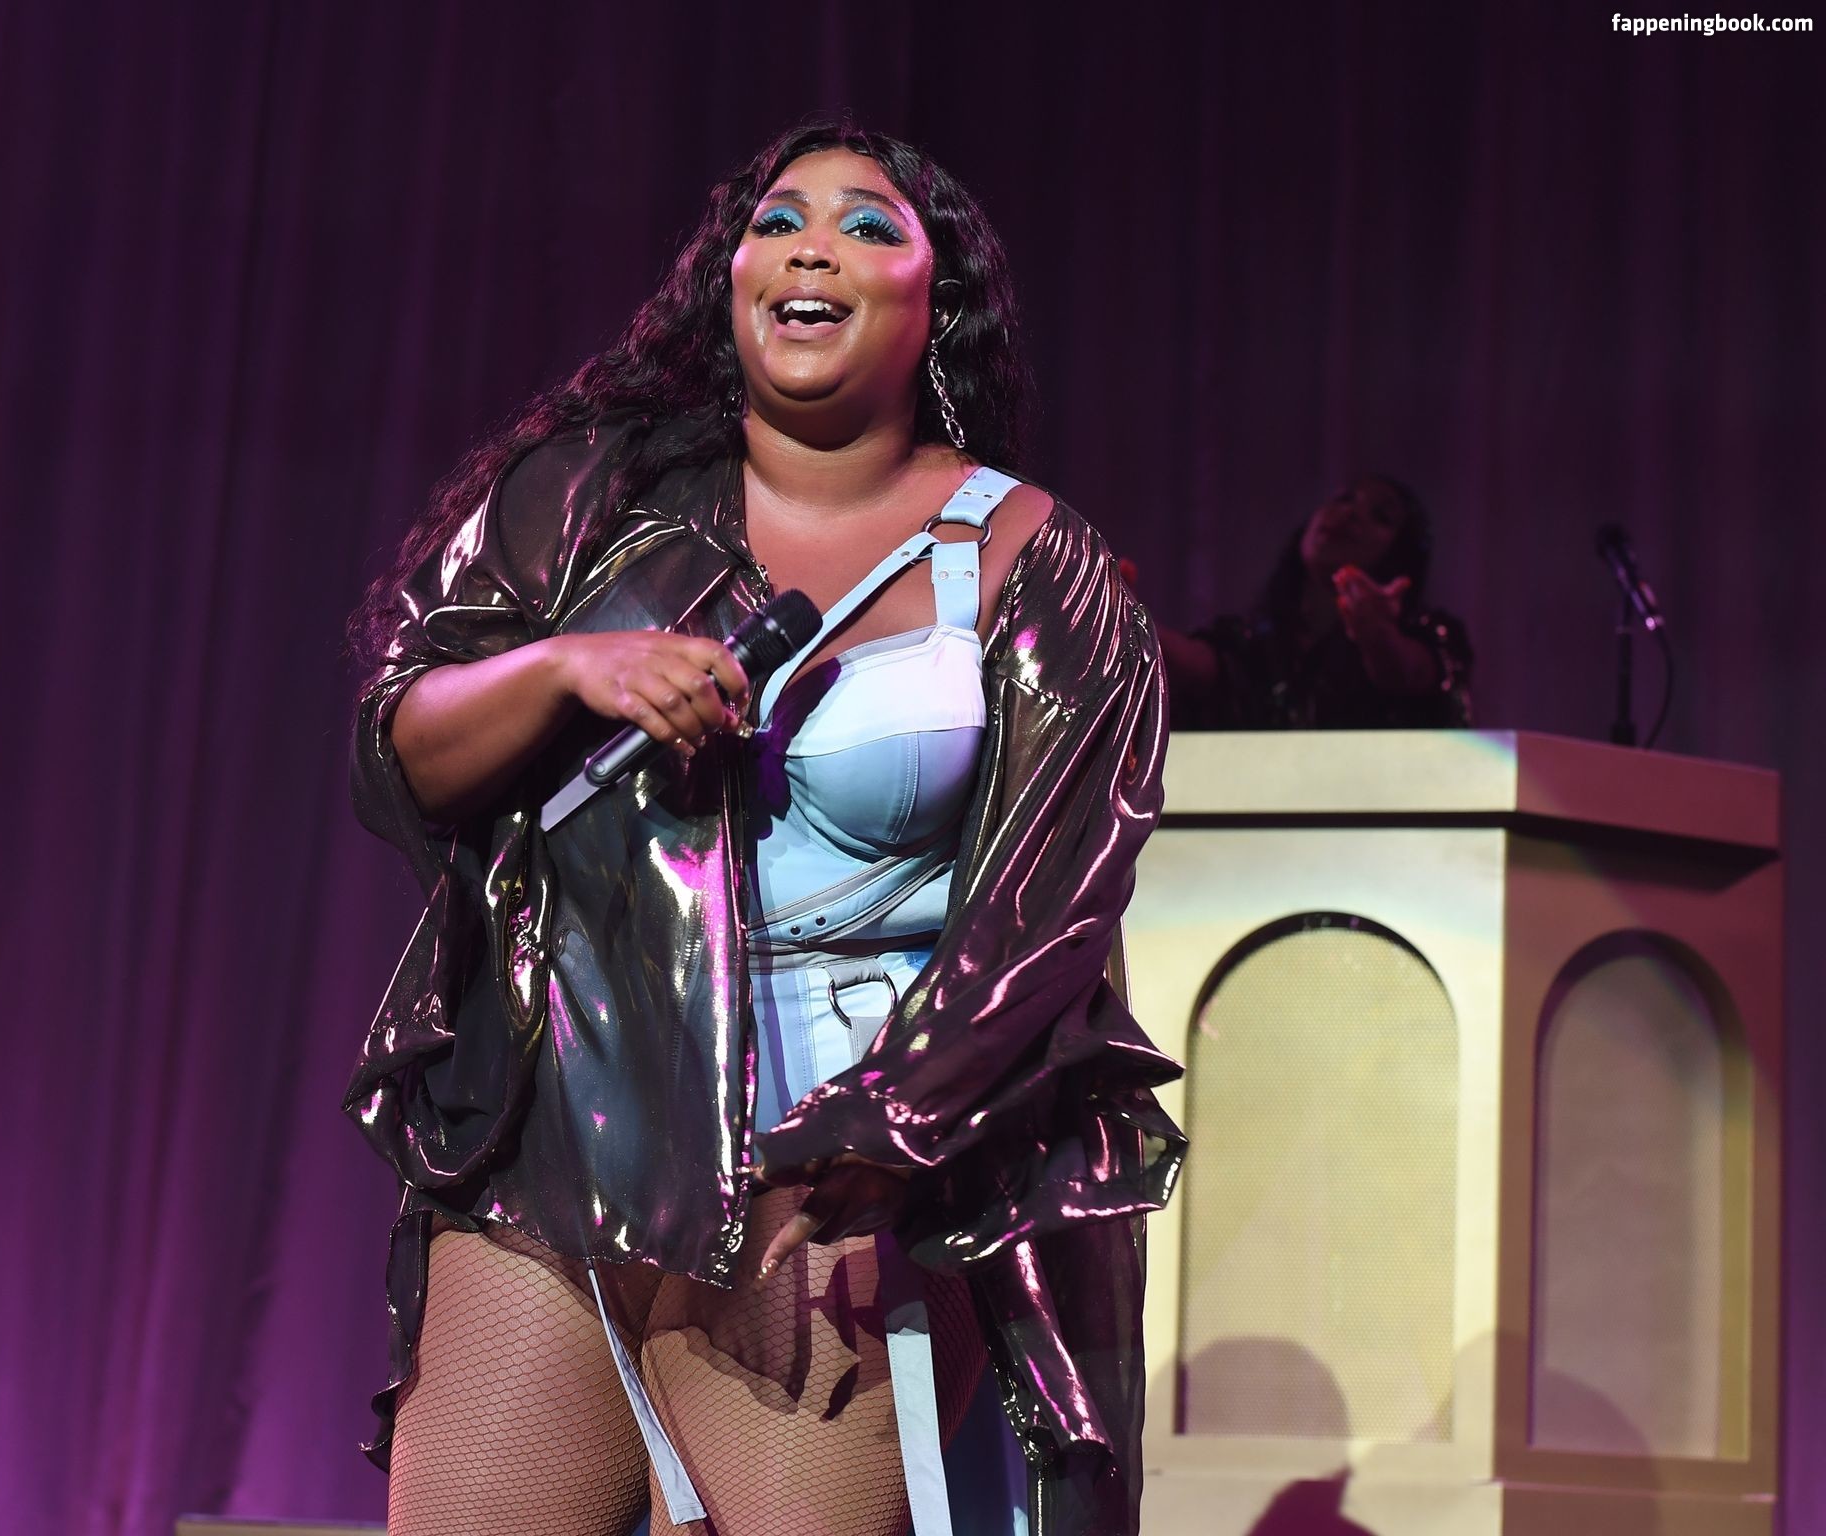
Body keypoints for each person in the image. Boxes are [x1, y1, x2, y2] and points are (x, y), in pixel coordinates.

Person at [343, 118, 1185, 1536]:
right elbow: (404, 749)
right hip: (560, 1136)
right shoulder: (587, 499)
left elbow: (1047, 911)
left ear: (939, 299)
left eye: (868, 227)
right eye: (778, 222)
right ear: (727, 281)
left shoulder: (1038, 562)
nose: (811, 249)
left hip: (834, 1170)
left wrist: (886, 1124)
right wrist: (568, 667)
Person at [1158, 474, 1473, 730]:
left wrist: (1374, 631)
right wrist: (1128, 616)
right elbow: (1192, 663)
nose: (1351, 513)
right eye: (1344, 499)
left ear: (1401, 556)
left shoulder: (1429, 634)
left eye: (1381, 516)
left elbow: (1406, 672)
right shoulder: (1253, 641)